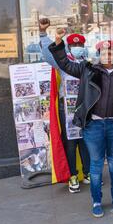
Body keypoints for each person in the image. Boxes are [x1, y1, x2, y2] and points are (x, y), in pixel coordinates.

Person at [48, 31, 113, 218]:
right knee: (96, 165)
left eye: (112, 51)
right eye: (105, 51)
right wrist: (58, 43)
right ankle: (96, 201)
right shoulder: (87, 68)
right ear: (99, 53)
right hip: (94, 126)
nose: (108, 55)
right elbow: (65, 64)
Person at [39, 18, 90, 194]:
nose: (77, 47)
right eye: (74, 45)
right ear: (68, 46)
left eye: (80, 44)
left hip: (85, 106)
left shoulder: (88, 62)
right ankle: (73, 176)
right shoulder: (63, 62)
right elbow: (48, 54)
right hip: (66, 108)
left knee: (86, 140)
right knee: (70, 142)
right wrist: (43, 34)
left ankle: (88, 171)